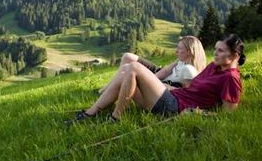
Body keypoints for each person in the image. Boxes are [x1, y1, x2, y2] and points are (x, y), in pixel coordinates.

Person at [78, 34, 245, 121]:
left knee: (134, 67)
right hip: (172, 97)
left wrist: (199, 113)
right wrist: (170, 87)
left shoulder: (231, 78)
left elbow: (227, 114)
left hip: (174, 107)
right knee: (125, 72)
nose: (215, 53)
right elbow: (193, 88)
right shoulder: (214, 67)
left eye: (220, 51)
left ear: (235, 55)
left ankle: (116, 117)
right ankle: (90, 113)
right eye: (215, 49)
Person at [98, 35, 206, 97]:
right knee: (128, 57)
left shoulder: (189, 70)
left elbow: (187, 93)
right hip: (159, 75)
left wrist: (148, 80)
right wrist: (150, 77)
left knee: (127, 70)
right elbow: (165, 71)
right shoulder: (181, 61)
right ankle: (105, 90)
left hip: (162, 84)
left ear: (189, 52)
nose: (176, 51)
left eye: (180, 48)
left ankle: (106, 92)